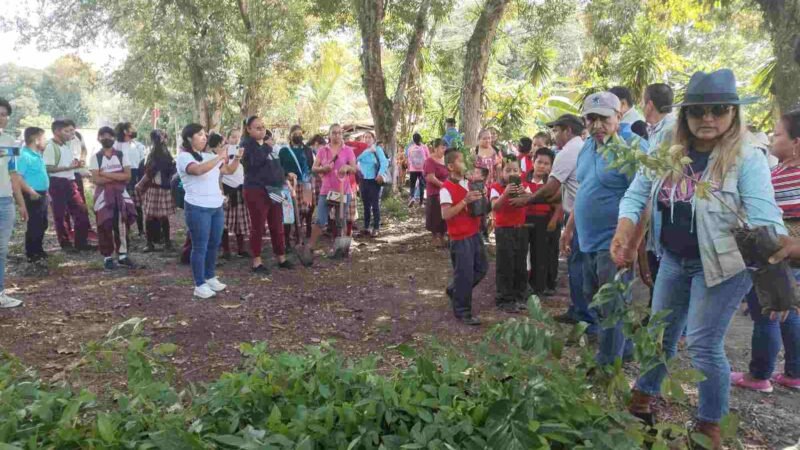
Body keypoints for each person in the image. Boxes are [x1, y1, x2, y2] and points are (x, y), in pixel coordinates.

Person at [612, 69, 787, 448]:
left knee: (704, 344)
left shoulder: (747, 158)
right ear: (686, 115)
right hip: (674, 259)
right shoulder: (667, 153)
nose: (708, 119)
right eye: (698, 111)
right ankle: (642, 398)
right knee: (660, 334)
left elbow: (764, 219)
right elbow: (636, 193)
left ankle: (710, 427)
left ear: (733, 113)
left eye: (719, 109)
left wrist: (777, 282)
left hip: (723, 267)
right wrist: (625, 231)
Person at [569, 91, 649, 367]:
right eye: (591, 119)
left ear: (618, 116)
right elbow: (584, 188)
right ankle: (621, 349)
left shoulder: (632, 148)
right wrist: (570, 228)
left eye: (603, 118)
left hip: (613, 242)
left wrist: (632, 244)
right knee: (595, 300)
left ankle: (607, 365)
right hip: (586, 239)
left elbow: (644, 199)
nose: (597, 125)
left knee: (613, 305)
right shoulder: (587, 147)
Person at [731, 109, 800, 392]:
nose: (773, 138)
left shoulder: (781, 177)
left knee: (766, 313)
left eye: (779, 134)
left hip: (776, 255)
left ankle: (759, 375)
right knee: (791, 310)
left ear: (797, 142)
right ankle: (795, 372)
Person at [511, 114, 587, 326]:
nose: (554, 135)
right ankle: (578, 310)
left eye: (556, 130)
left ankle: (583, 316)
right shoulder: (583, 147)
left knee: (578, 266)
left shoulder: (567, 152)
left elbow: (552, 187)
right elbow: (561, 191)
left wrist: (528, 199)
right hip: (579, 212)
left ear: (567, 131)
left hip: (579, 216)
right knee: (578, 265)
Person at [177, 123, 240, 299]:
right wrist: (218, 157)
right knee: (200, 246)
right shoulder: (184, 157)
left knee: (214, 243)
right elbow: (197, 170)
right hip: (198, 207)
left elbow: (227, 170)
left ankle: (210, 276)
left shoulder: (207, 155)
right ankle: (199, 283)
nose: (204, 137)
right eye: (199, 135)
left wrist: (237, 158)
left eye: (205, 134)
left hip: (216, 206)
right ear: (190, 138)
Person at [637, 83, 677, 301]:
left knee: (665, 273)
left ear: (649, 104)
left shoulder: (670, 131)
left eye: (644, 101)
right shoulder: (656, 130)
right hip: (655, 216)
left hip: (666, 214)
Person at [299, 123, 357, 266]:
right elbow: (314, 168)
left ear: (341, 134)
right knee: (320, 219)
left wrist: (347, 167)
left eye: (339, 133)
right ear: (329, 135)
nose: (337, 135)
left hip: (343, 190)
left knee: (340, 220)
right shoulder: (322, 151)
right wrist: (323, 168)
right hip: (326, 191)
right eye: (334, 133)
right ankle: (310, 248)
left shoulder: (348, 150)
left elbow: (355, 168)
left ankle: (339, 249)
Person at [240, 116, 293, 274]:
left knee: (277, 224)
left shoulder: (267, 145)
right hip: (256, 190)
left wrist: (285, 177)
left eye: (263, 126)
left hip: (275, 189)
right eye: (257, 127)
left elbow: (275, 166)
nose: (262, 129)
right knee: (258, 226)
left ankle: (281, 257)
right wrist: (267, 148)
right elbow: (255, 162)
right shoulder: (246, 145)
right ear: (248, 129)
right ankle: (257, 261)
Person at [441, 149, 487, 325]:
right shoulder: (446, 189)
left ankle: (455, 290)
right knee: (465, 274)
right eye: (460, 161)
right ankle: (463, 311)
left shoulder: (468, 183)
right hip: (460, 238)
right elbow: (445, 215)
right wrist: (464, 201)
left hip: (474, 233)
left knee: (482, 268)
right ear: (451, 166)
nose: (464, 164)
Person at [90, 127, 138, 270]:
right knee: (104, 224)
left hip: (120, 194)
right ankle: (107, 257)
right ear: (99, 138)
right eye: (103, 136)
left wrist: (106, 174)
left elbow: (128, 176)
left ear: (114, 138)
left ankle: (123, 255)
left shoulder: (122, 155)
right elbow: (96, 179)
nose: (107, 138)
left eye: (110, 136)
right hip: (103, 196)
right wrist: (117, 177)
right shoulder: (96, 157)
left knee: (122, 223)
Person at [44, 119, 92, 251]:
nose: (70, 134)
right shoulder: (50, 146)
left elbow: (70, 165)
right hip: (57, 183)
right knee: (60, 215)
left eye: (71, 130)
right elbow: (48, 168)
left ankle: (81, 243)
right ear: (57, 132)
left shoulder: (66, 145)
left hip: (71, 182)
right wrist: (67, 168)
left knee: (81, 212)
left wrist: (76, 166)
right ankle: (65, 244)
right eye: (67, 131)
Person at [490, 156, 529, 312]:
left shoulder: (524, 186)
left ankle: (520, 296)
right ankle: (504, 298)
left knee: (520, 263)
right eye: (508, 170)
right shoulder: (495, 187)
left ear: (520, 172)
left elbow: (529, 200)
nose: (512, 173)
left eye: (515, 170)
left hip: (521, 229)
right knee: (505, 264)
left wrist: (523, 194)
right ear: (501, 172)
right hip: (504, 230)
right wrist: (505, 193)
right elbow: (495, 206)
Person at [0, 98, 27, 308]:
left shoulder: (10, 141)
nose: (1, 117)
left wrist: (21, 203)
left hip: (5, 201)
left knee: (1, 249)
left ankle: (0, 294)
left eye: (4, 114)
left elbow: (13, 173)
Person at [525, 147, 562, 296]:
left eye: (546, 164)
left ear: (551, 166)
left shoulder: (553, 183)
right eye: (539, 162)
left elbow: (559, 204)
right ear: (533, 162)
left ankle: (541, 286)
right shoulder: (523, 178)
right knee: (526, 253)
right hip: (526, 220)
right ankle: (526, 283)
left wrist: (553, 220)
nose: (542, 166)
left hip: (546, 221)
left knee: (542, 253)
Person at [136, 130, 176, 253]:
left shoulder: (155, 153)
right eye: (163, 136)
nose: (165, 138)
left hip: (155, 188)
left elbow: (149, 172)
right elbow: (150, 171)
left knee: (150, 216)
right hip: (161, 188)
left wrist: (140, 184)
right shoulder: (164, 152)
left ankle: (151, 243)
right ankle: (166, 243)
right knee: (162, 217)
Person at [17, 127, 50, 263]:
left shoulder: (37, 154)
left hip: (42, 193)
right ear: (36, 140)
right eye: (43, 138)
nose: (45, 141)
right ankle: (32, 253)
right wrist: (31, 191)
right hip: (32, 194)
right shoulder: (24, 156)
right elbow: (18, 177)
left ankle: (39, 249)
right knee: (34, 224)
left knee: (42, 223)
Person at [279, 125, 314, 245]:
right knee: (288, 214)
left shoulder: (307, 150)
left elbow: (311, 166)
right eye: (296, 133)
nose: (298, 135)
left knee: (306, 211)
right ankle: (287, 241)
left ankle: (301, 235)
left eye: (300, 133)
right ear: (290, 135)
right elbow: (278, 167)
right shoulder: (283, 151)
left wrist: (308, 178)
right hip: (288, 185)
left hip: (306, 184)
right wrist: (286, 174)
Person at [219, 129, 249, 258]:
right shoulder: (223, 152)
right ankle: (226, 250)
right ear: (227, 137)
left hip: (240, 189)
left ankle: (241, 249)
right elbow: (221, 172)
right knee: (224, 222)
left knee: (240, 221)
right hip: (226, 189)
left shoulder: (243, 150)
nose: (236, 139)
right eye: (233, 136)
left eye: (238, 137)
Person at [114, 122, 145, 236]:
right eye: (131, 129)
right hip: (122, 176)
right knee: (124, 205)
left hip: (135, 176)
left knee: (138, 205)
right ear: (125, 132)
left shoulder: (137, 145)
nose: (133, 131)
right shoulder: (116, 145)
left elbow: (141, 162)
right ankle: (125, 231)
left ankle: (141, 230)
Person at [356, 131, 388, 237]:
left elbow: (384, 162)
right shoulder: (361, 150)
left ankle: (376, 227)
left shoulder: (377, 149)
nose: (367, 139)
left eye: (369, 137)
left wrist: (380, 174)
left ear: (373, 139)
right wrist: (368, 150)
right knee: (365, 205)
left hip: (375, 180)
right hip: (363, 180)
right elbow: (356, 159)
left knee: (375, 205)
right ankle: (366, 227)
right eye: (365, 137)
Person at [424, 139, 449, 247]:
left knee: (445, 214)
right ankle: (435, 236)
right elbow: (430, 177)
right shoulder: (429, 161)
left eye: (445, 148)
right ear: (436, 148)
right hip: (434, 192)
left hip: (446, 192)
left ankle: (443, 235)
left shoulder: (446, 160)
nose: (444, 150)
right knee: (434, 214)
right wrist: (443, 185)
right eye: (442, 148)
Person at [406, 133, 429, 207]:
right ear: (420, 138)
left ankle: (412, 197)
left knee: (412, 184)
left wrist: (409, 168)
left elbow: (408, 158)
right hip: (422, 169)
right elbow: (428, 157)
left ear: (413, 139)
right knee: (421, 185)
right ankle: (421, 202)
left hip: (413, 169)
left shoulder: (410, 148)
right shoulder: (424, 147)